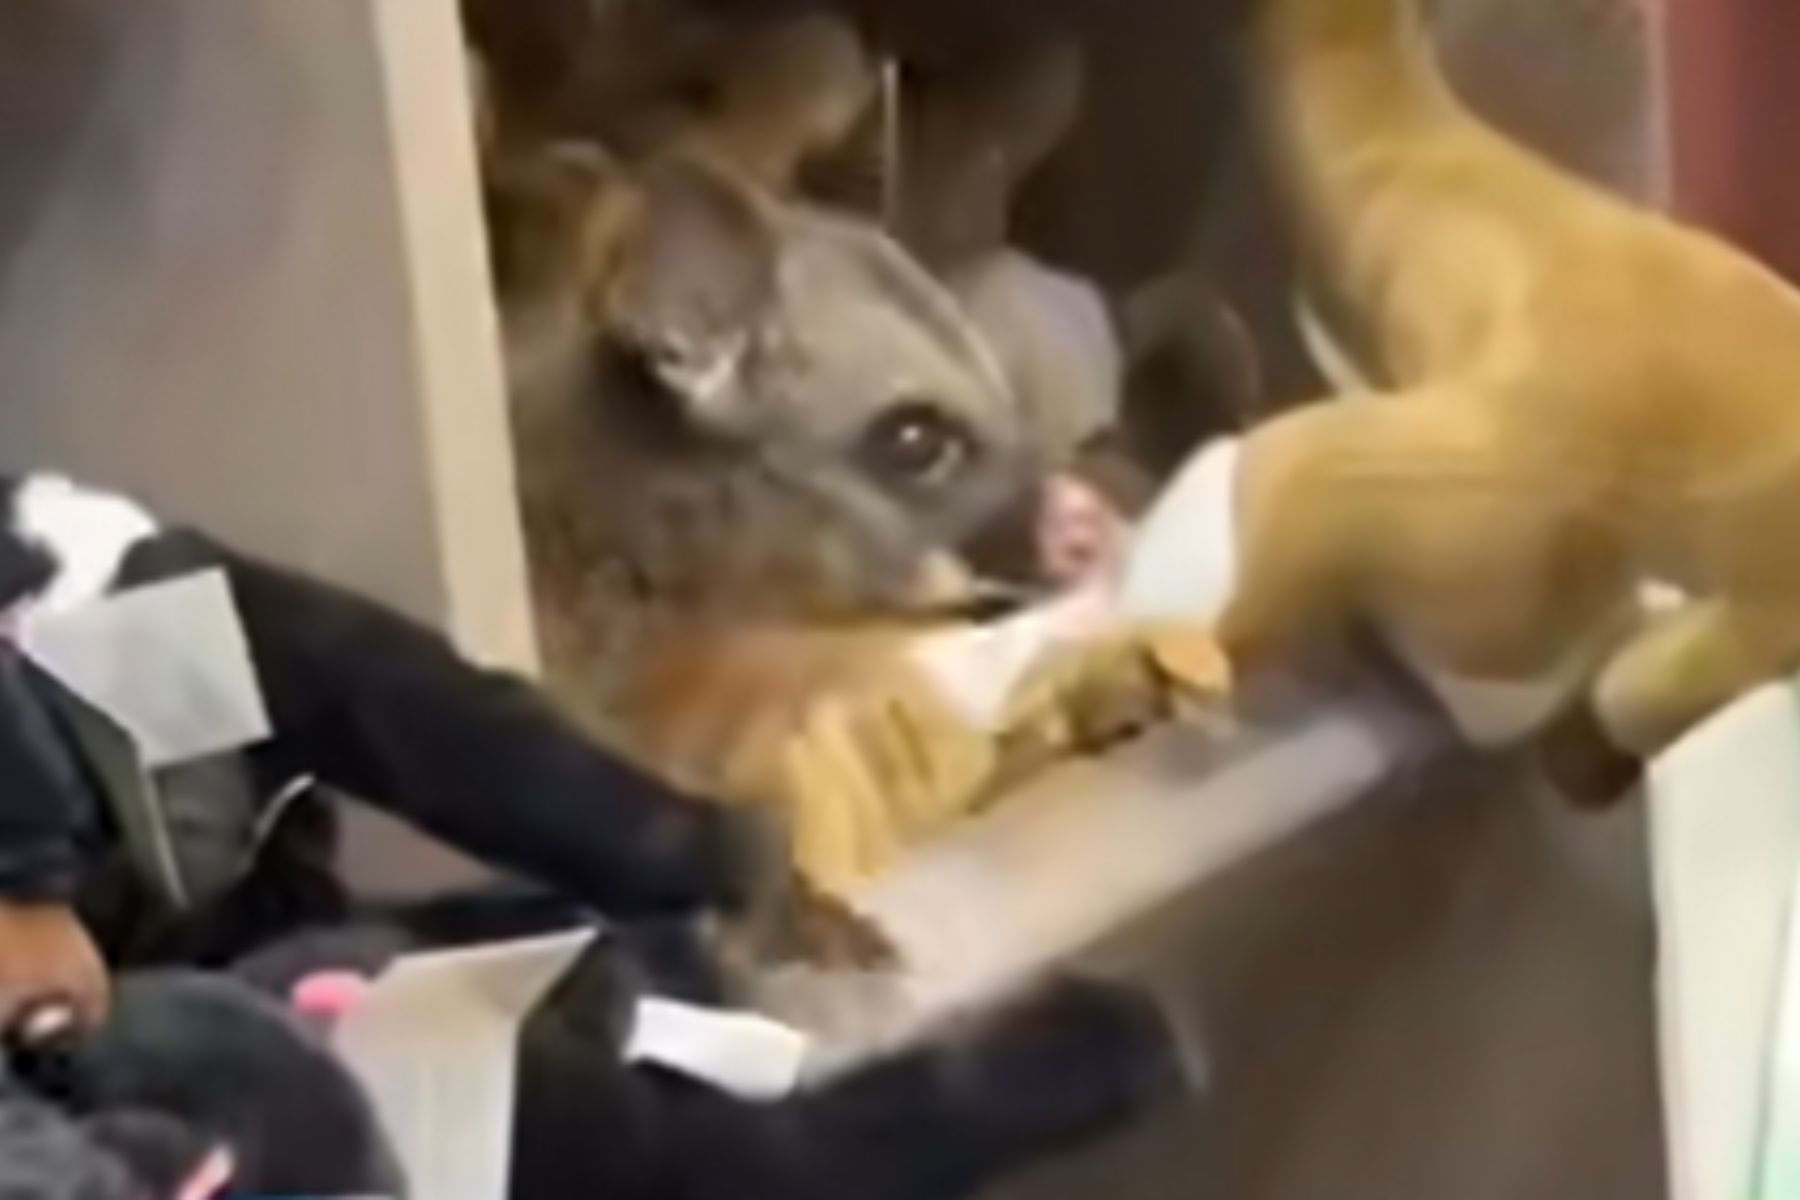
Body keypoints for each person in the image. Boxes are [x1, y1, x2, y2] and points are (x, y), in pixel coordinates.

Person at [0, 470, 803, 1032]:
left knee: (381, 703)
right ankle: (630, 957)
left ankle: (680, 861)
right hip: (149, 934)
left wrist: (25, 887)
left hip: (74, 648)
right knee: (300, 986)